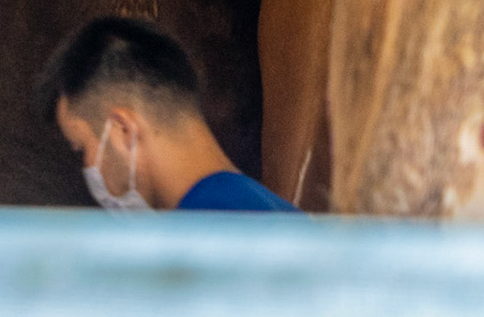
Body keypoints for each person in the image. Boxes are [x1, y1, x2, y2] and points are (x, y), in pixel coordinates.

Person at [38, 15, 298, 213]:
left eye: (80, 148)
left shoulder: (195, 248)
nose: (86, 169)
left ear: (122, 130)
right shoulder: (284, 217)